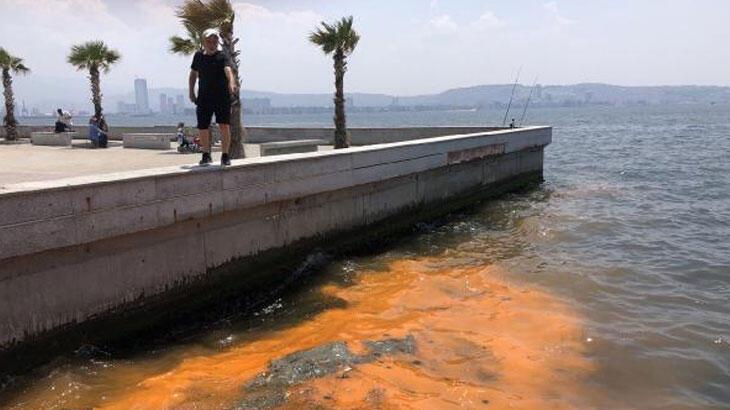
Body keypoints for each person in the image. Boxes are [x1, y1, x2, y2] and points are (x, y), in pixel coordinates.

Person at [189, 28, 238, 166]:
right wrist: (191, 92)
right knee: (203, 126)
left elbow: (228, 69)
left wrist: (232, 82)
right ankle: (206, 154)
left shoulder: (222, 55)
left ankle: (225, 155)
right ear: (204, 42)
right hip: (204, 97)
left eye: (215, 40)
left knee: (224, 125)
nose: (212, 43)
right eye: (209, 41)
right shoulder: (198, 56)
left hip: (221, 96)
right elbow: (193, 74)